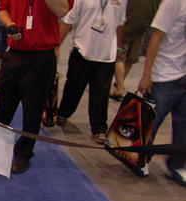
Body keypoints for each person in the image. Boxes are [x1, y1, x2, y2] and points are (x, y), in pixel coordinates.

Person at [0, 0, 70, 174]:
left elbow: (62, 10)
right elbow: (3, 9)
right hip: (14, 53)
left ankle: (23, 152)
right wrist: (10, 25)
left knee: (33, 109)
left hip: (41, 56)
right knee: (0, 100)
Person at [55, 0, 127, 145]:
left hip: (106, 56)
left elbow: (120, 24)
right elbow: (68, 22)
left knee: (101, 93)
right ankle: (63, 113)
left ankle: (99, 128)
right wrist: (56, 46)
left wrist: (118, 48)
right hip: (82, 50)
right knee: (73, 86)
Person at [137, 0, 186, 187]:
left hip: (183, 73)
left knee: (183, 124)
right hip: (164, 73)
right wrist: (147, 73)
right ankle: (140, 159)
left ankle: (175, 164)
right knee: (152, 122)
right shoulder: (173, 2)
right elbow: (156, 35)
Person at [109, 0, 161, 101]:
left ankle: (119, 89)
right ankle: (120, 82)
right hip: (143, 27)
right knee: (131, 58)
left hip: (127, 23)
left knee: (119, 56)